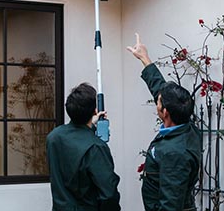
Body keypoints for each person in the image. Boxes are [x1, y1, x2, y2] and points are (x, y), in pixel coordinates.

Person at [127, 34, 202, 211]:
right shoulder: (184, 125)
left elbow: (170, 205)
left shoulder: (175, 154)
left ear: (165, 111)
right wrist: (144, 58)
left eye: (158, 101)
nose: (156, 101)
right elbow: (159, 89)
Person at [47, 83, 121, 211]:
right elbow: (108, 195)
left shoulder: (54, 137)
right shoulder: (95, 147)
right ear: (94, 111)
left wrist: (90, 124)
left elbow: (75, 136)